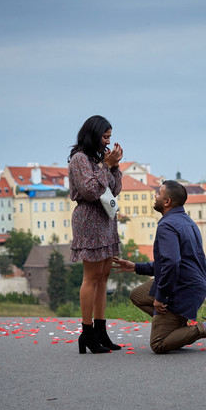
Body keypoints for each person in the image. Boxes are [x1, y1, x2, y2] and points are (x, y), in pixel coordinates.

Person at [113, 180, 206, 354]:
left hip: (183, 287)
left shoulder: (167, 225)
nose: (155, 196)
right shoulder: (186, 221)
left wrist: (161, 297)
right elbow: (168, 263)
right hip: (192, 282)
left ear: (167, 202)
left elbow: (172, 263)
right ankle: (177, 328)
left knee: (158, 344)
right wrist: (136, 267)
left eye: (158, 193)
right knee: (137, 295)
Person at [68, 115, 124, 354]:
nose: (107, 142)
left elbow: (115, 189)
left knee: (103, 277)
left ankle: (101, 331)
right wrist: (106, 167)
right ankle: (87, 333)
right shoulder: (79, 159)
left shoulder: (99, 158)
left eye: (109, 137)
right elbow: (90, 190)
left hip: (106, 219)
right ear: (93, 134)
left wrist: (116, 166)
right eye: (105, 137)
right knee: (91, 277)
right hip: (89, 219)